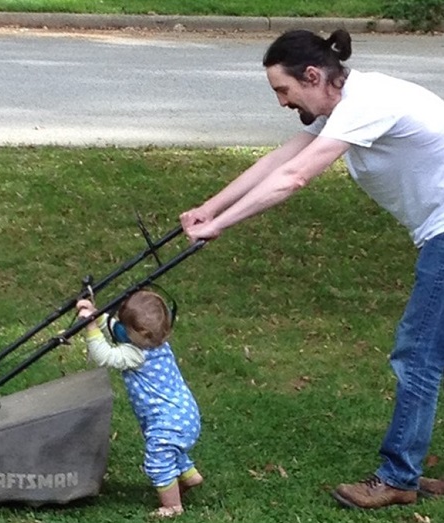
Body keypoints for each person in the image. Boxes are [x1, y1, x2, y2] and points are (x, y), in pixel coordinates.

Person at [180, 28, 444, 510]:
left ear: (313, 75)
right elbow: (282, 157)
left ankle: (399, 476)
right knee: (428, 353)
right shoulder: (350, 101)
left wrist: (222, 225)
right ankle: (405, 470)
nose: (282, 102)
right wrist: (208, 208)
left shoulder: (369, 100)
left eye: (283, 90)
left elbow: (296, 177)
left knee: (418, 355)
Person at [76, 289, 203, 518]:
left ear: (142, 334)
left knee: (157, 459)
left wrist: (91, 328)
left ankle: (172, 506)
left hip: (169, 421)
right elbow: (118, 330)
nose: (121, 329)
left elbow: (103, 356)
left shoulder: (136, 355)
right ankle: (189, 476)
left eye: (128, 328)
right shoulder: (156, 343)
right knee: (170, 449)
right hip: (184, 415)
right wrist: (96, 315)